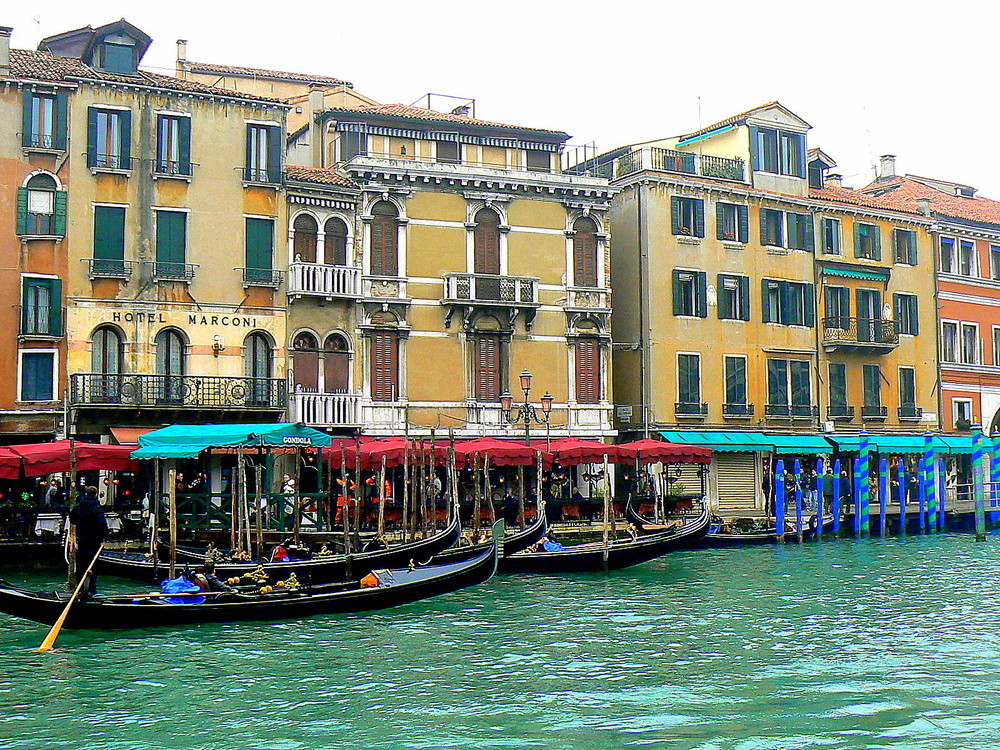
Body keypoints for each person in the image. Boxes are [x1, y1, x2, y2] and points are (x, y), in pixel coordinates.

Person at [68, 486, 108, 596]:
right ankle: (91, 588)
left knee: (81, 563)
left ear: (86, 493)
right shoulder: (97, 507)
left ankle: (80, 587)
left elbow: (72, 518)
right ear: (95, 494)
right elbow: (101, 523)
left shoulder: (79, 505)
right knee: (93, 563)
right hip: (94, 539)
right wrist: (105, 536)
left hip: (82, 538)